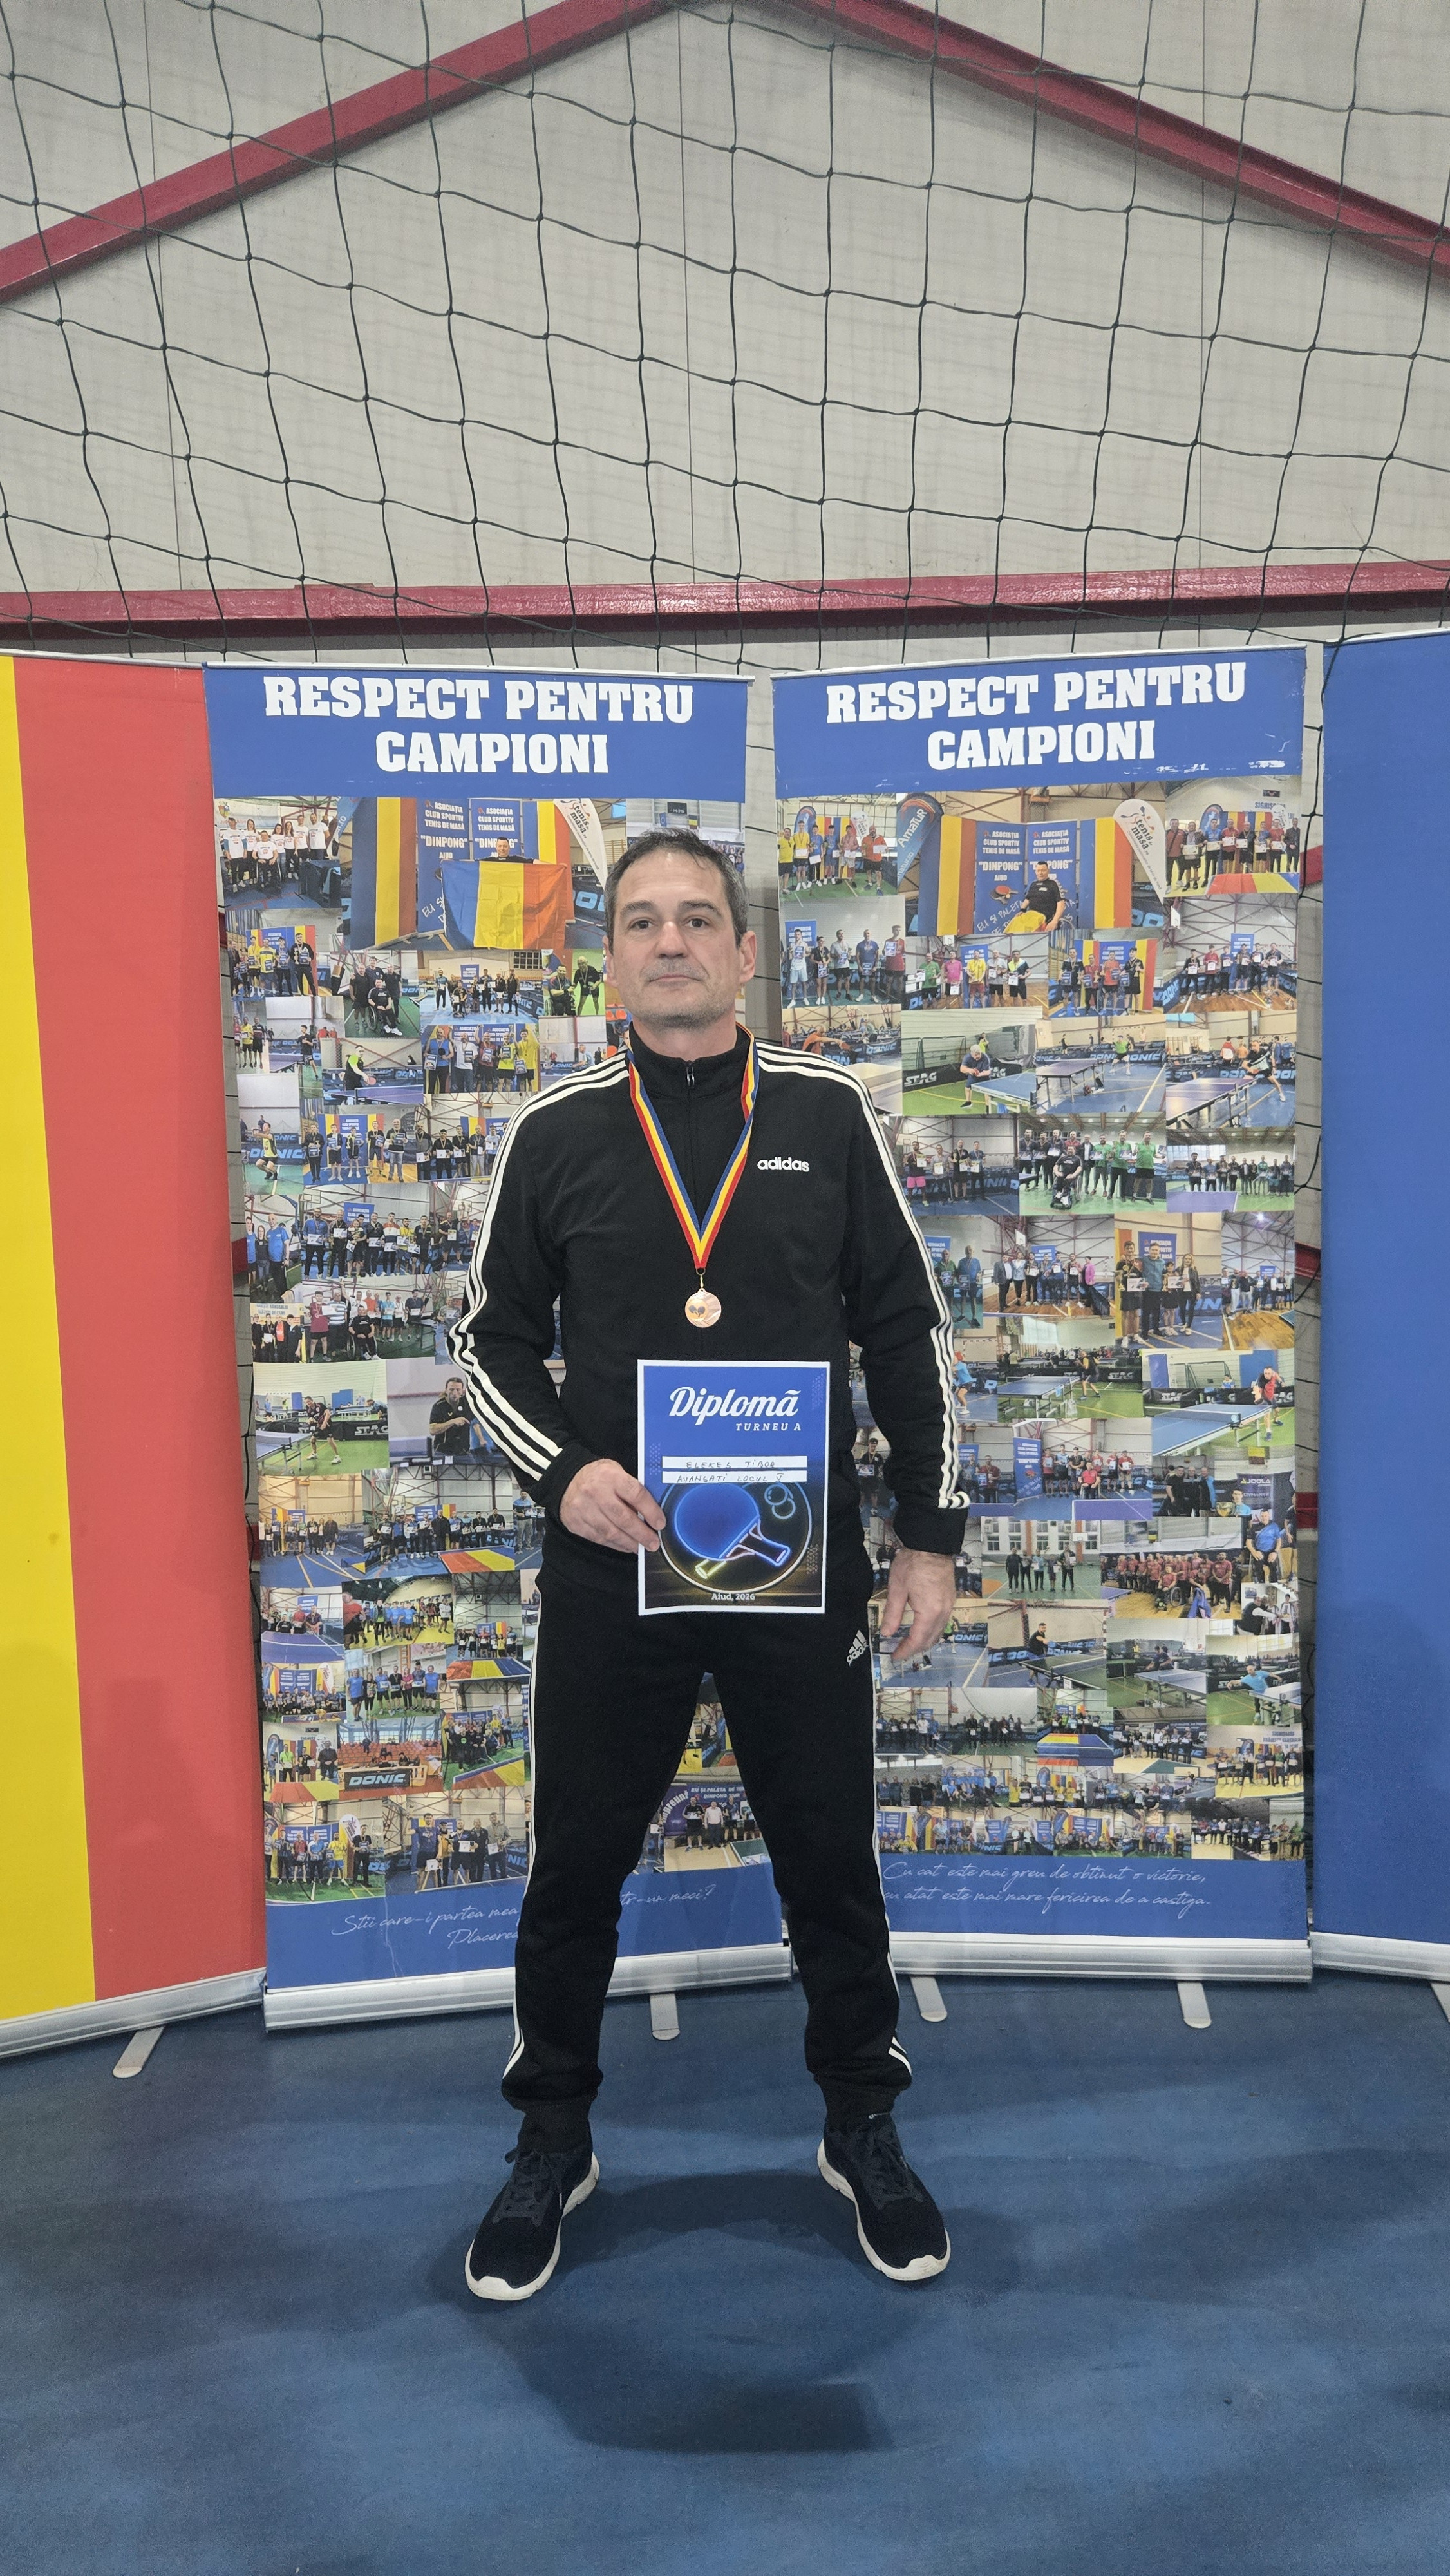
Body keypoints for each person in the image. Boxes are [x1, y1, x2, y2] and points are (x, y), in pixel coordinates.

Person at [449, 829, 961, 2300]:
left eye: (696, 918)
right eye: (640, 920)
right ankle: (552, 2136)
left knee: (827, 1853)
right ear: (608, 956)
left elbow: (905, 1327)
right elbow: (485, 1340)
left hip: (797, 1568)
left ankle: (860, 2121)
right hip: (616, 1564)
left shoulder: (826, 1109)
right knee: (575, 1864)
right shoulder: (554, 1129)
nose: (668, 941)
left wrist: (928, 1534)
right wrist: (564, 1472)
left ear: (746, 951)